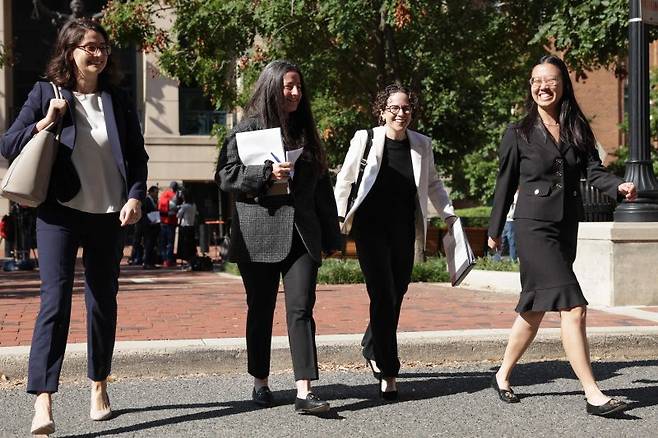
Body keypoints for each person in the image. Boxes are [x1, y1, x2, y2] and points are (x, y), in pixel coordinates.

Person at [0, 19, 148, 435]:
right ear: (69, 51)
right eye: (89, 47)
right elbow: (8, 145)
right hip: (58, 214)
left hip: (107, 215)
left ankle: (99, 384)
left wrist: (136, 195)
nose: (97, 53)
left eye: (102, 46)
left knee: (103, 303)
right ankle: (43, 401)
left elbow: (137, 157)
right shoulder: (46, 93)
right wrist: (46, 121)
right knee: (55, 302)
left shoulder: (117, 100)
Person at [487, 55, 636, 417]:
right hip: (533, 226)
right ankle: (593, 393)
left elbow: (593, 171)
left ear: (563, 84)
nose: (543, 86)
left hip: (565, 226)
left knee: (535, 308)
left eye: (550, 80)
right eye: (536, 80)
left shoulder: (575, 127)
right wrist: (493, 232)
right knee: (573, 306)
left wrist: (618, 187)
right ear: (530, 87)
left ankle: (502, 374)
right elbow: (504, 184)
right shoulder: (518, 131)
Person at [215, 60, 341, 414]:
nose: (296, 93)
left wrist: (331, 236)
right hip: (258, 232)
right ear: (272, 87)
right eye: (289, 86)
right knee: (260, 310)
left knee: (301, 308)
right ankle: (261, 382)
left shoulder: (306, 131)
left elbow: (322, 189)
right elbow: (225, 176)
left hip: (302, 232)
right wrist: (265, 173)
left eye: (299, 86)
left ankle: (305, 390)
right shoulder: (247, 128)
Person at [334, 83, 456, 401]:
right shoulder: (366, 139)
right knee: (382, 293)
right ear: (382, 111)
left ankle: (372, 344)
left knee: (397, 291)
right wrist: (337, 218)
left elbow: (433, 184)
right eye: (394, 108)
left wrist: (449, 216)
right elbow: (345, 179)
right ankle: (388, 371)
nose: (400, 113)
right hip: (370, 229)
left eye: (405, 108)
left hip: (403, 229)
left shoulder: (421, 144)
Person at [158, 181, 179, 267]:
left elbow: (159, 207)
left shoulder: (163, 194)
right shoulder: (174, 195)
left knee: (163, 242)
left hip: (163, 221)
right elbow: (174, 208)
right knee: (170, 242)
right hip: (171, 221)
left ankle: (164, 259)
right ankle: (169, 260)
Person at [176, 191, 197, 268]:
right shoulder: (193, 205)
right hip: (192, 227)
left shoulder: (185, 206)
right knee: (191, 245)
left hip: (185, 227)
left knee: (185, 245)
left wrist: (179, 207)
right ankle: (191, 261)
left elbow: (178, 215)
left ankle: (187, 261)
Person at [142, 186, 160, 269]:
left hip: (154, 225)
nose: (157, 194)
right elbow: (144, 213)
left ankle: (151, 262)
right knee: (148, 245)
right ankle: (146, 262)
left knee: (152, 245)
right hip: (148, 226)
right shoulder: (147, 200)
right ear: (151, 192)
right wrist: (149, 221)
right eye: (156, 192)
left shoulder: (155, 201)